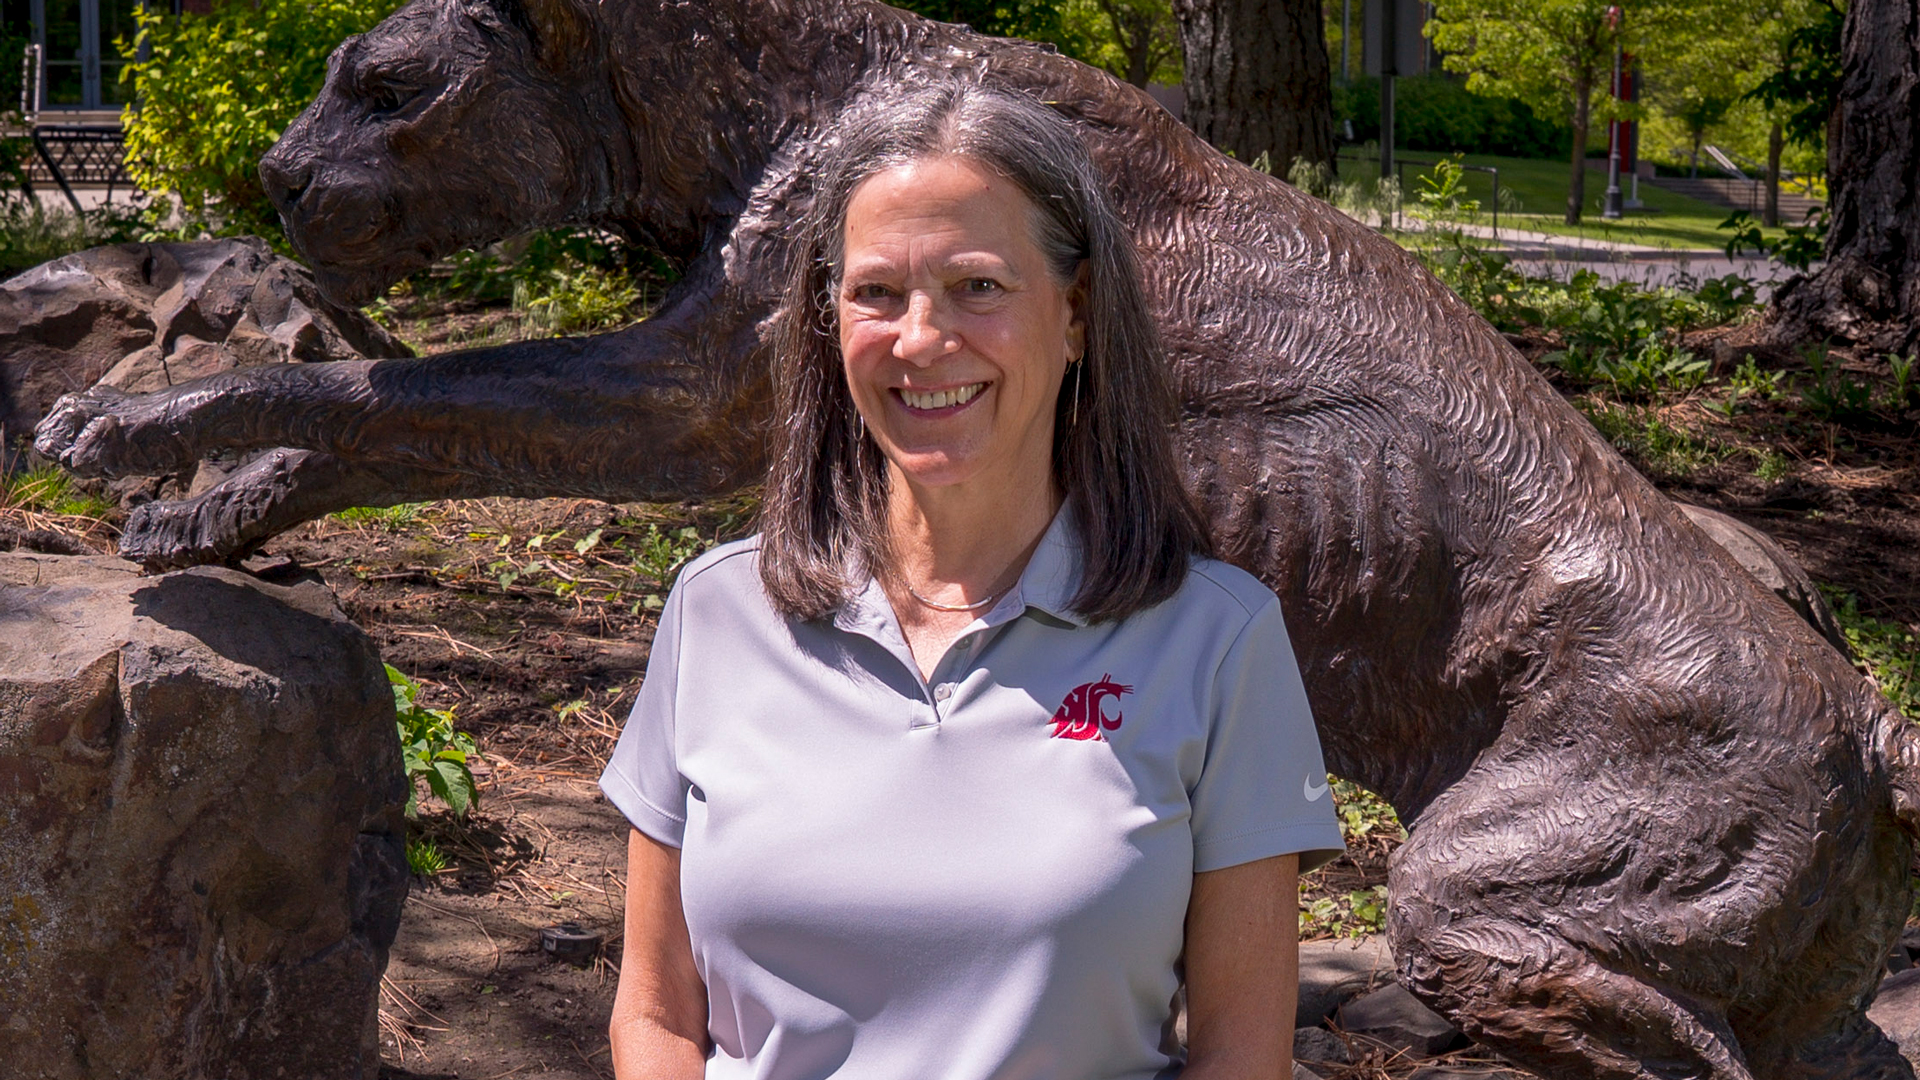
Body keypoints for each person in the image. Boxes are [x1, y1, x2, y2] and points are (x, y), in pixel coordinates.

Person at [598, 80, 1344, 1080]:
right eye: (876, 292)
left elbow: (1242, 1059)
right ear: (828, 322)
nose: (919, 339)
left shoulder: (1217, 643)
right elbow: (652, 1015)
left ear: (1075, 315)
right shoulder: (716, 614)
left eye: (977, 286)